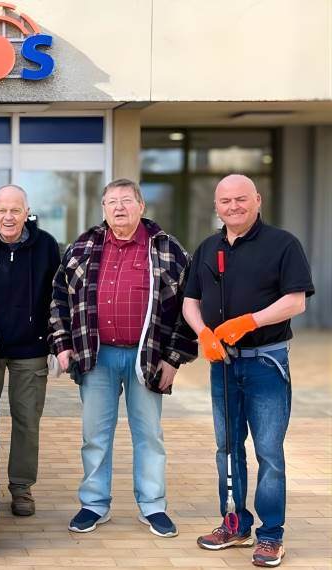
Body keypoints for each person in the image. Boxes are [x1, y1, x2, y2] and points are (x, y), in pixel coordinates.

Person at [49, 178, 196, 538]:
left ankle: (153, 506)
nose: (119, 207)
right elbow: (59, 298)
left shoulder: (168, 250)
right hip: (97, 356)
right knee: (95, 435)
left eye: (126, 201)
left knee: (149, 435)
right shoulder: (83, 246)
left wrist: (174, 358)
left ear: (141, 207)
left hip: (146, 358)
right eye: (111, 201)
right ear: (103, 208)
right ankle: (94, 504)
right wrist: (62, 344)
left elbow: (188, 308)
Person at [182, 174, 314, 568]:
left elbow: (295, 302)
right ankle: (235, 523)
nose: (233, 206)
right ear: (216, 206)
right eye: (225, 201)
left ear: (257, 200)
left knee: (269, 453)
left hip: (266, 364)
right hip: (222, 364)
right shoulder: (207, 247)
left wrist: (249, 322)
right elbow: (191, 300)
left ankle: (270, 536)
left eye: (241, 199)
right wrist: (203, 333)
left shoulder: (283, 244)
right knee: (227, 448)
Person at [0, 184, 60, 517]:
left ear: (26, 212)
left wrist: (54, 342)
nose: (8, 217)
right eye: (2, 210)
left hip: (31, 349)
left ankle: (21, 488)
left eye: (15, 210)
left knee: (26, 422)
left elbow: (57, 298)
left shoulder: (47, 246)